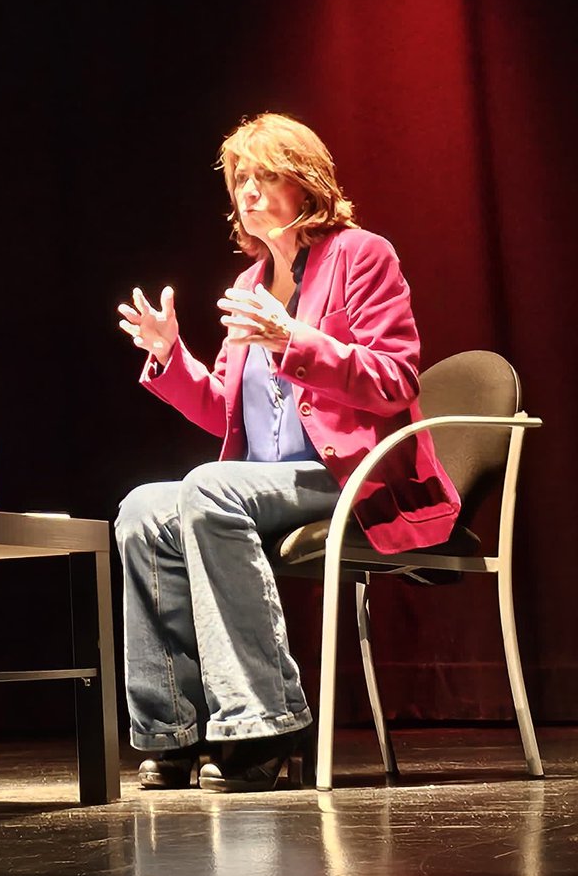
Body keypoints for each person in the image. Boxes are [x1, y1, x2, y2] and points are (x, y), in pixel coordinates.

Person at [115, 113, 459, 793]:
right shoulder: (248, 286)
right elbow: (226, 412)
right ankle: (173, 731)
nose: (249, 190)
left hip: (349, 474)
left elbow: (395, 380)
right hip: (267, 481)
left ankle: (262, 725)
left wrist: (294, 342)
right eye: (241, 178)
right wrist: (170, 358)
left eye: (265, 174)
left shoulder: (362, 256)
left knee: (208, 488)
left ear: (306, 182)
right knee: (142, 509)